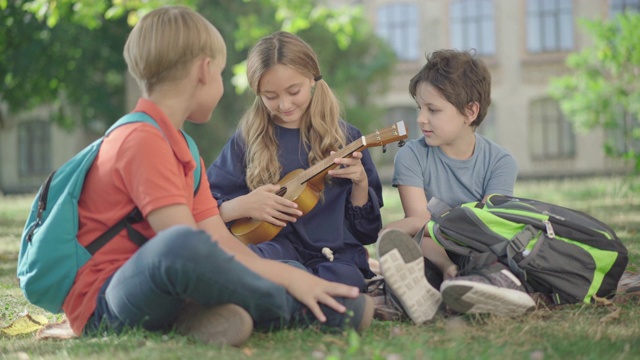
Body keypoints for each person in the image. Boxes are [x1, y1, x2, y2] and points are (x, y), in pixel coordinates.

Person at [62, 6, 374, 347]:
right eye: (223, 73)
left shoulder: (183, 147)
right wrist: (286, 279)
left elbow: (222, 243)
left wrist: (294, 277)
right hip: (106, 299)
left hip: (163, 288)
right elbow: (186, 248)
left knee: (246, 258)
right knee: (185, 245)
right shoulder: (141, 139)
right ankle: (308, 311)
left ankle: (196, 318)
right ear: (204, 70)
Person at [206, 31, 383, 292]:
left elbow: (366, 232)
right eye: (270, 96)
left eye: (293, 91)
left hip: (333, 255)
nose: (284, 104)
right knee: (251, 263)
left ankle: (287, 296)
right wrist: (244, 205)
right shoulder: (248, 139)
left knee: (347, 281)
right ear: (258, 93)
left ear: (312, 77)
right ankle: (295, 291)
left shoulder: (347, 138)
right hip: (275, 251)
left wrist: (360, 183)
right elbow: (205, 206)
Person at [373, 49, 535, 324]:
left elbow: (490, 230)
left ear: (470, 112)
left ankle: (475, 290)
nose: (421, 119)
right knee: (413, 266)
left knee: (499, 260)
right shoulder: (412, 157)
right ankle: (439, 296)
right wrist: (447, 265)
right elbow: (422, 229)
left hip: (480, 252)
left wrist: (416, 226)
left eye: (433, 110)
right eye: (420, 108)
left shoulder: (500, 162)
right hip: (432, 252)